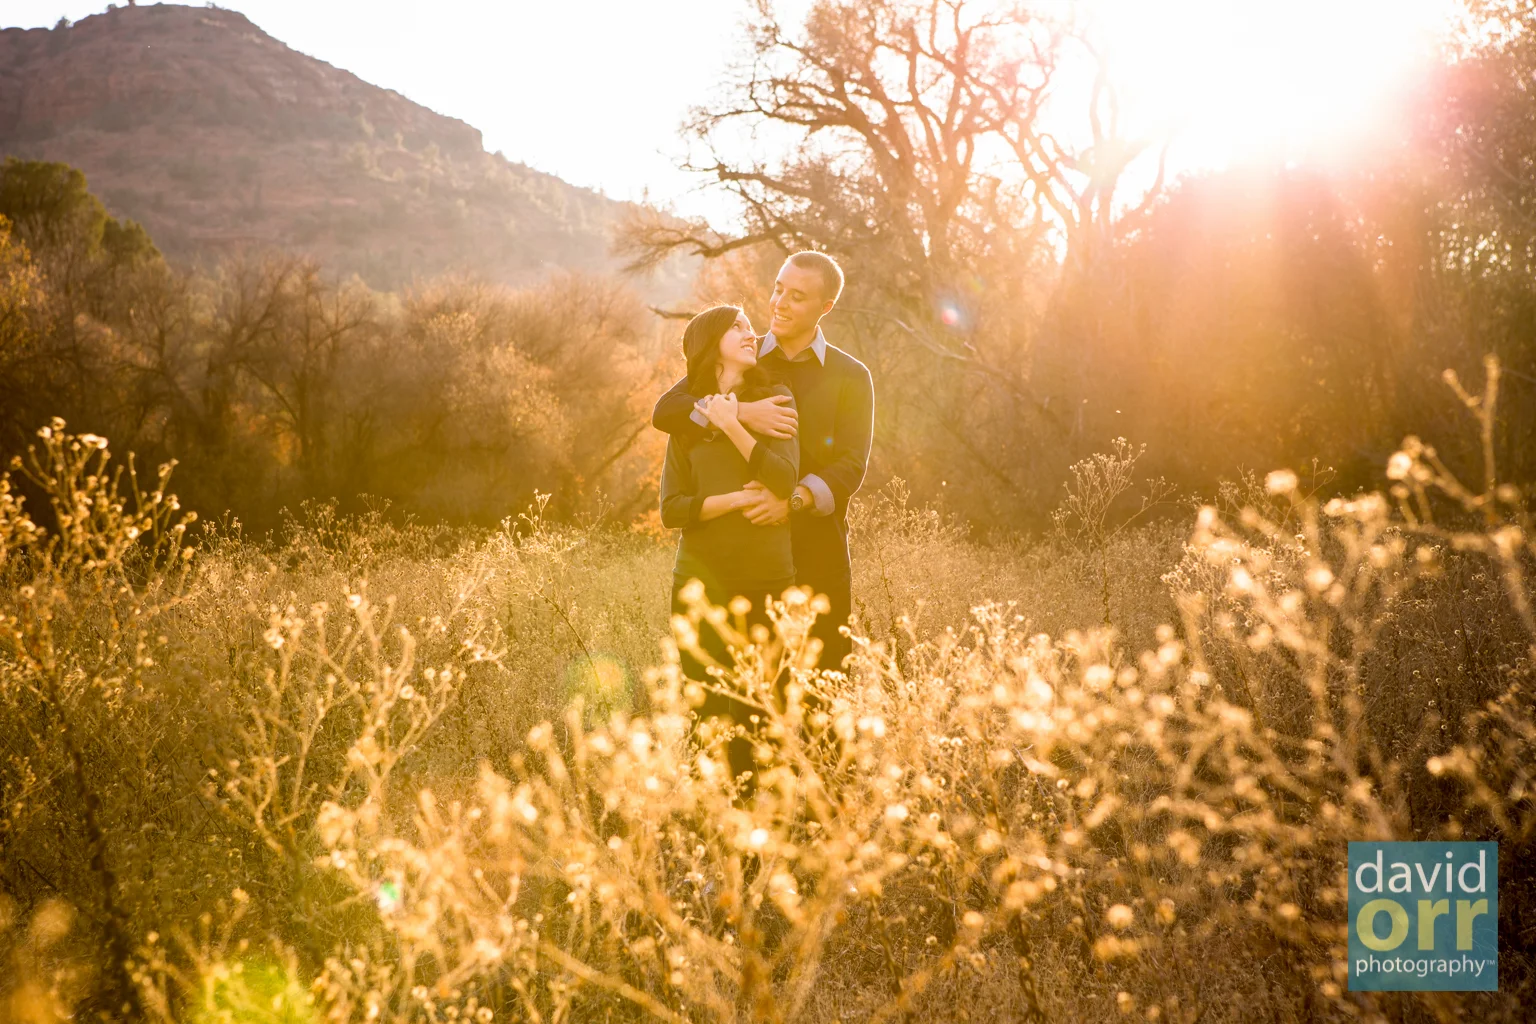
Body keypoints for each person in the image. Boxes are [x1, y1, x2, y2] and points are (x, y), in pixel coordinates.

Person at [654, 251, 874, 671]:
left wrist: (793, 500)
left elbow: (851, 465)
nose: (779, 303)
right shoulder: (743, 357)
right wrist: (740, 412)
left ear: (825, 306)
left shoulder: (851, 376)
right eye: (778, 289)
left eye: (797, 296)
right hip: (746, 561)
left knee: (819, 687)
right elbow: (667, 411)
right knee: (746, 691)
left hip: (818, 553)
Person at [659, 304, 799, 788]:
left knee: (764, 710)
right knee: (708, 710)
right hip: (698, 584)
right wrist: (737, 499)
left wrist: (735, 423)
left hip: (768, 580)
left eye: (749, 325)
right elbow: (672, 510)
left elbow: (783, 480)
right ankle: (713, 816)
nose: (750, 332)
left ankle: (767, 819)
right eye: (736, 326)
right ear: (709, 345)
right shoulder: (688, 419)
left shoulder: (776, 400)